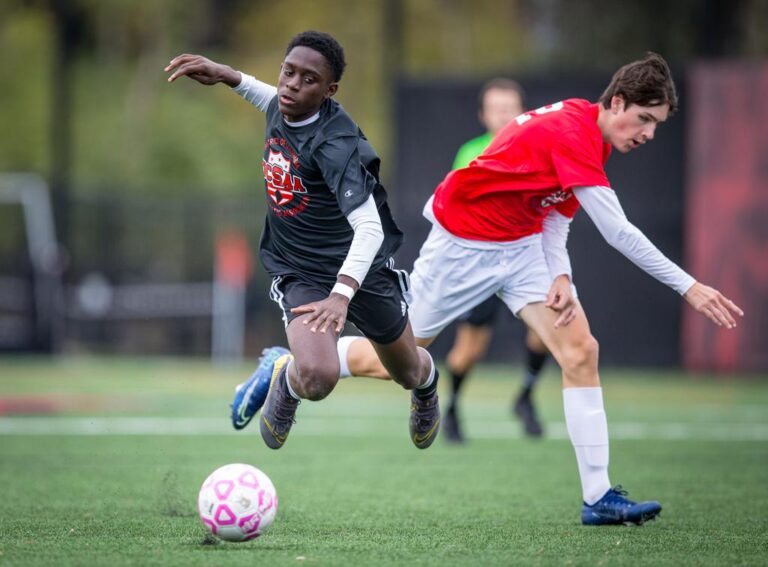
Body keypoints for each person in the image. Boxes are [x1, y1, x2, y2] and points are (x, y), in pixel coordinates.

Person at [335, 52, 744, 525]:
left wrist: (561, 276)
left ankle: (598, 497)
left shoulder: (594, 136)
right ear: (616, 102)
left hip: (521, 244)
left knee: (580, 351)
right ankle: (295, 363)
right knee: (400, 361)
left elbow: (554, 219)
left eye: (656, 124)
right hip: (464, 244)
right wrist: (689, 286)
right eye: (645, 119)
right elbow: (617, 232)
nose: (649, 133)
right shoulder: (575, 134)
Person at [164, 31, 441, 450]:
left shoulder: (335, 145)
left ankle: (428, 387)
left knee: (407, 372)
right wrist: (227, 75)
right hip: (300, 268)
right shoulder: (285, 103)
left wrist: (342, 294)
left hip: (360, 270)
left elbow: (370, 228)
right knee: (318, 376)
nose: (292, 84)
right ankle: (287, 379)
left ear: (329, 91)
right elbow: (268, 98)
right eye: (287, 71)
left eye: (308, 79)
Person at [442, 78, 550, 443]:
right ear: (483, 114)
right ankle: (452, 408)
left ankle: (525, 396)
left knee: (549, 330)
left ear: (523, 112)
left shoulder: (539, 148)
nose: (504, 115)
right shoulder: (470, 152)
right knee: (470, 350)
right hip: (481, 264)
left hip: (525, 259)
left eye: (510, 108)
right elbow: (455, 205)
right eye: (496, 108)